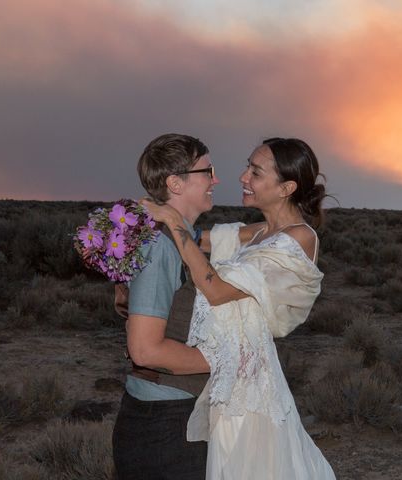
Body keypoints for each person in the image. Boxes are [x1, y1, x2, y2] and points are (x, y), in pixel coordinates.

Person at [143, 137, 336, 479]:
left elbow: (215, 290)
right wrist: (125, 233)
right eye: (248, 166)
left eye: (256, 172)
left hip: (252, 382)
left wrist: (171, 220)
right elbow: (200, 237)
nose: (243, 177)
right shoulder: (260, 231)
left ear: (285, 187)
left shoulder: (299, 238)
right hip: (233, 372)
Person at [112, 133, 218, 479]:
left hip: (175, 416)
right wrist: (223, 360)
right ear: (176, 183)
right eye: (207, 170)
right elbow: (144, 349)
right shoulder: (161, 246)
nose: (214, 179)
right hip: (163, 427)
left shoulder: (179, 239)